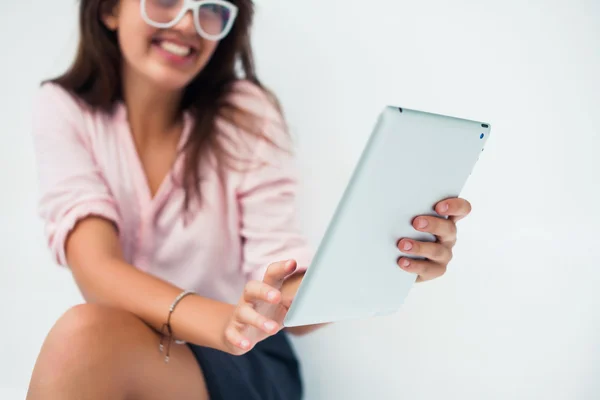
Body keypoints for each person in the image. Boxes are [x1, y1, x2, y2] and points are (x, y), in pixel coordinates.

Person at [26, 1, 473, 399]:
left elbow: (281, 287)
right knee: (85, 336)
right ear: (108, 9)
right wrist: (217, 321)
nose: (188, 23)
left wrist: (383, 259)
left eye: (211, 8)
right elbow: (95, 267)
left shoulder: (245, 113)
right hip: (149, 348)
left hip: (247, 358)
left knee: (83, 339)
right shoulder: (65, 108)